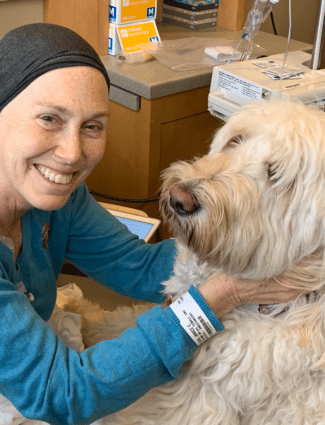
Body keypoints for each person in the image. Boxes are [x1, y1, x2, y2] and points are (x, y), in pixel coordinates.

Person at [0, 23, 304, 425]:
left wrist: (253, 244)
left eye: (92, 126)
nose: (72, 153)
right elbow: (60, 393)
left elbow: (140, 267)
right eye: (49, 119)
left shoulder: (59, 202)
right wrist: (218, 296)